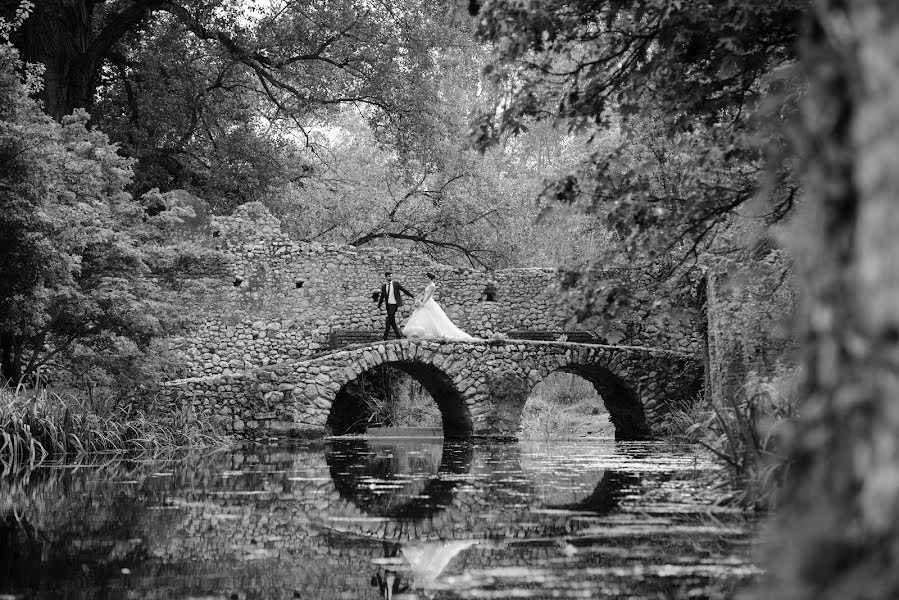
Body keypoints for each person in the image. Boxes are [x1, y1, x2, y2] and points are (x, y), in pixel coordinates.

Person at [402, 272, 476, 340]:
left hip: (428, 302)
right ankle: (419, 333)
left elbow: (429, 296)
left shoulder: (432, 285)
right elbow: (425, 295)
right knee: (422, 316)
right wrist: (419, 300)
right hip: (425, 301)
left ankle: (428, 332)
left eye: (426, 277)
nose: (425, 279)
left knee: (430, 317)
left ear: (430, 278)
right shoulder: (428, 285)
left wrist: (423, 303)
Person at [377, 271, 414, 340]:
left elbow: (403, 290)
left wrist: (412, 296)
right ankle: (398, 336)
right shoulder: (384, 287)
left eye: (391, 276)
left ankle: (384, 337)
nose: (391, 277)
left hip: (394, 305)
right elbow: (382, 297)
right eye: (389, 276)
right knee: (392, 321)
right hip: (388, 305)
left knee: (388, 320)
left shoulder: (395, 284)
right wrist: (378, 306)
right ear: (386, 277)